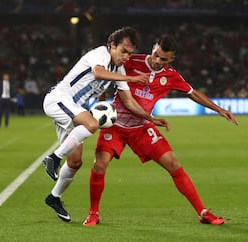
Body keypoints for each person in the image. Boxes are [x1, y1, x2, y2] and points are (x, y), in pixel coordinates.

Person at [82, 35, 239, 226]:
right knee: (100, 165)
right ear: (153, 48)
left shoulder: (171, 76)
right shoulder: (131, 61)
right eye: (155, 54)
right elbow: (107, 75)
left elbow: (193, 93)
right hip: (115, 125)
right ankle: (93, 213)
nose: (157, 61)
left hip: (142, 127)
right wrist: (101, 100)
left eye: (163, 59)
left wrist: (219, 109)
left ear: (171, 59)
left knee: (172, 163)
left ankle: (203, 212)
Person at [42, 26, 168, 222]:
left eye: (130, 53)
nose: (126, 57)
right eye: (123, 51)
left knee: (75, 162)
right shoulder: (99, 54)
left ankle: (54, 197)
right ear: (112, 45)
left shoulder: (119, 69)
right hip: (59, 100)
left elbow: (128, 101)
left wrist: (150, 118)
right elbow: (98, 73)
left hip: (74, 110)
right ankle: (53, 158)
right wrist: (131, 77)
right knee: (92, 124)